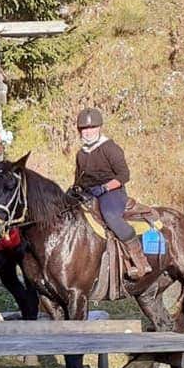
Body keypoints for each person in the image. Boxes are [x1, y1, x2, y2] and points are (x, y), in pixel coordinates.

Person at [68, 108, 152, 279]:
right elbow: (79, 179)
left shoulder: (110, 148)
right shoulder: (81, 154)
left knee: (110, 215)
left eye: (92, 128)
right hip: (89, 193)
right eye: (84, 129)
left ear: (99, 128)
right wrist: (72, 191)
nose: (88, 132)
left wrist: (104, 188)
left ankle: (140, 260)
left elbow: (124, 175)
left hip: (112, 192)